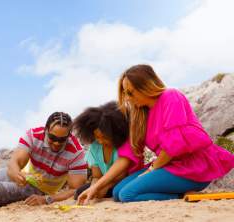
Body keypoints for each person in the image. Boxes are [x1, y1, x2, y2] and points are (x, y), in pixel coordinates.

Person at [78, 64, 234, 204]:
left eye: (131, 93)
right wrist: (96, 186)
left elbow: (173, 146)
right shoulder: (140, 115)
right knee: (118, 192)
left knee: (127, 195)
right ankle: (178, 192)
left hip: (194, 167)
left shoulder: (171, 97)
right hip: (170, 166)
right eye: (125, 93)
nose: (127, 98)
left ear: (145, 86)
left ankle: (181, 196)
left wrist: (151, 170)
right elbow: (127, 155)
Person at [71, 101, 131, 200]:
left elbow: (121, 174)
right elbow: (96, 176)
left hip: (121, 180)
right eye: (97, 137)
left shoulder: (122, 145)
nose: (100, 141)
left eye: (104, 137)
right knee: (79, 192)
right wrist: (93, 187)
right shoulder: (95, 147)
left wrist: (103, 186)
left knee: (118, 191)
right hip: (103, 182)